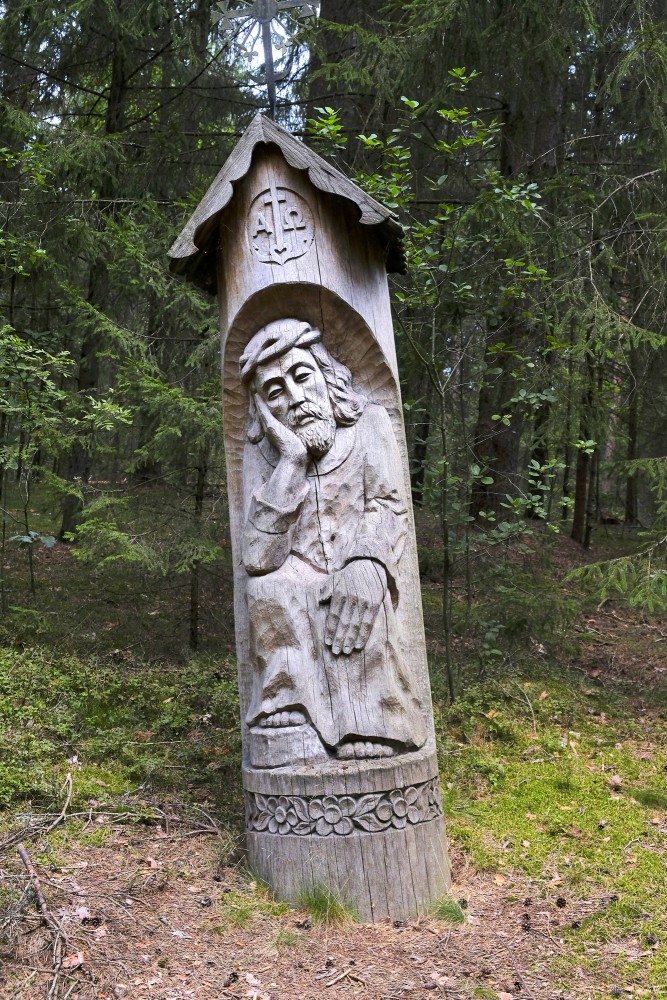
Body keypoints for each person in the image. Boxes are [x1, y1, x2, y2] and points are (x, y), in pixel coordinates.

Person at [240, 318, 426, 760]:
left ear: (328, 376)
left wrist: (367, 563)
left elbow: (388, 504)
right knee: (267, 588)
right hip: (300, 574)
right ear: (265, 412)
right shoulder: (265, 457)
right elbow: (258, 556)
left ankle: (376, 721)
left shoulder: (370, 425)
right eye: (275, 393)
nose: (295, 398)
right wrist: (289, 462)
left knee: (362, 592)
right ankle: (290, 704)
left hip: (357, 561)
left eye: (302, 376)